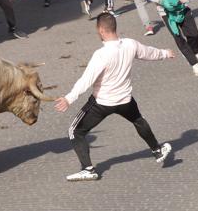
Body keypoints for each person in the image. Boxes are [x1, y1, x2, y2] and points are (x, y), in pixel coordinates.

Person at [54, 13, 174, 181]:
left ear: (101, 30)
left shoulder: (101, 55)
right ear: (114, 27)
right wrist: (164, 53)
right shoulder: (130, 44)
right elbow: (149, 53)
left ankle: (88, 169)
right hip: (125, 100)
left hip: (102, 103)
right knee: (138, 120)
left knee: (75, 131)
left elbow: (86, 80)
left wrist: (68, 98)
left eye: (97, 30)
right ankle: (157, 151)